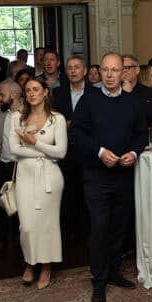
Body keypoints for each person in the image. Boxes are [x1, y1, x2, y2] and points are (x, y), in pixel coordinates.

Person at [70, 52, 148, 302]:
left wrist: (133, 153)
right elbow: (77, 134)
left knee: (119, 227)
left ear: (123, 73)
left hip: (123, 175)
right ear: (100, 72)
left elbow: (141, 134)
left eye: (115, 70)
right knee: (100, 227)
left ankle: (114, 271)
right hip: (96, 175)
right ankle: (99, 279)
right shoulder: (88, 99)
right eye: (105, 70)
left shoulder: (133, 102)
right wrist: (100, 152)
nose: (110, 75)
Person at [9, 79, 67, 290]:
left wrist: (35, 143)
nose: (32, 93)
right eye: (28, 90)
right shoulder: (16, 117)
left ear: (45, 92)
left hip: (50, 177)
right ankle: (30, 262)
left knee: (47, 224)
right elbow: (13, 149)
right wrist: (43, 152)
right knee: (27, 225)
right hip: (25, 176)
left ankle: (46, 266)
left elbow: (61, 152)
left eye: (36, 89)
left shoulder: (57, 119)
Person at [53, 56, 90, 241]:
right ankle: (70, 233)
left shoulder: (94, 92)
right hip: (65, 150)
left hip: (88, 150)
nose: (73, 71)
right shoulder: (58, 93)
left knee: (87, 193)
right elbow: (53, 119)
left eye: (77, 67)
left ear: (85, 70)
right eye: (70, 68)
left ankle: (87, 232)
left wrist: (72, 123)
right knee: (68, 193)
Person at [0, 79, 21, 257]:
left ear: (13, 95)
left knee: (22, 206)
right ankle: (1, 242)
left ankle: (21, 243)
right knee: (1, 207)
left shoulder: (28, 113)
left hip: (21, 168)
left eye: (2, 95)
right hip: (1, 167)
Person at [121, 53, 152, 126]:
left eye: (127, 68)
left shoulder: (149, 92)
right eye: (120, 68)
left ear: (137, 70)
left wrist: (130, 95)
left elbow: (151, 119)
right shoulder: (112, 91)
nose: (123, 71)